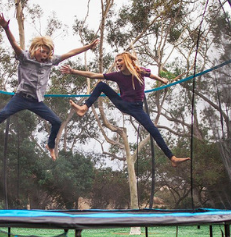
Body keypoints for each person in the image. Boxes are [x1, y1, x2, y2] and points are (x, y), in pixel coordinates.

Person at [0, 12, 99, 161]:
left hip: (36, 101)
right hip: (20, 97)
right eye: (41, 51)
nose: (43, 55)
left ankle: (50, 146)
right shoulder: (25, 57)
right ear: (35, 48)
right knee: (4, 113)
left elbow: (71, 53)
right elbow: (14, 44)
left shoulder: (51, 61)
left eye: (46, 53)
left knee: (57, 121)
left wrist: (89, 46)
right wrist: (6, 28)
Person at [60, 51, 190, 167]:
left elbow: (152, 76)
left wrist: (162, 80)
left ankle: (172, 158)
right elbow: (93, 75)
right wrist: (73, 71)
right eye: (116, 61)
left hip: (137, 108)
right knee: (101, 85)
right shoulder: (117, 75)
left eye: (119, 60)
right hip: (122, 103)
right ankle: (84, 108)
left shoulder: (140, 71)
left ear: (126, 60)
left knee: (153, 130)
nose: (117, 63)